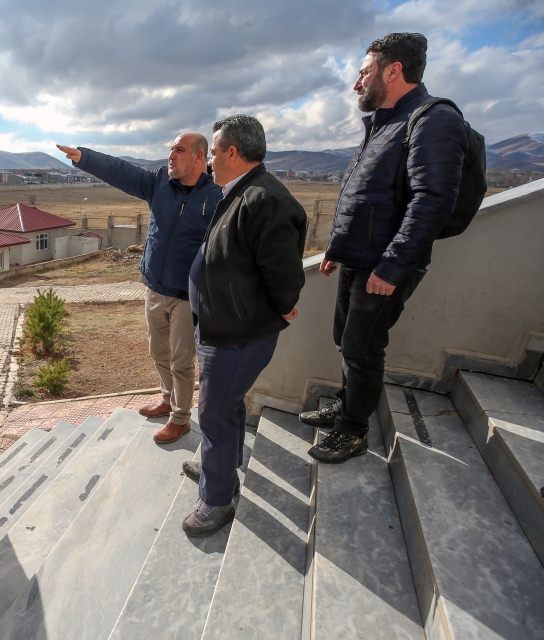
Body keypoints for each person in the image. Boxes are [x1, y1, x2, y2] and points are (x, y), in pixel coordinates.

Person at [302, 33, 467, 463]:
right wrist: (339, 248)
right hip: (360, 258)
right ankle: (348, 401)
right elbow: (368, 195)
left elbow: (431, 201)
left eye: (364, 72)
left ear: (393, 70)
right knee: (345, 338)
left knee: (362, 345)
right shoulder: (386, 120)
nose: (358, 83)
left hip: (386, 264)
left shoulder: (433, 118)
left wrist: (392, 267)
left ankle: (354, 429)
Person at [184, 115, 306, 537]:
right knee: (227, 405)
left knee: (214, 412)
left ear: (232, 152)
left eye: (214, 152)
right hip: (221, 328)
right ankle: (219, 464)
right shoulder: (239, 192)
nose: (210, 160)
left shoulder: (265, 200)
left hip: (237, 336)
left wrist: (281, 310)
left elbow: (285, 276)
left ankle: (215, 499)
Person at [57, 133, 219, 444]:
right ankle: (167, 398)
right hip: (155, 287)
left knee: (181, 360)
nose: (171, 155)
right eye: (170, 149)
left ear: (199, 157)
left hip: (187, 295)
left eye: (179, 150)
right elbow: (123, 172)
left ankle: (181, 417)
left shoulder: (215, 197)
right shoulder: (160, 183)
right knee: (158, 352)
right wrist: (85, 158)